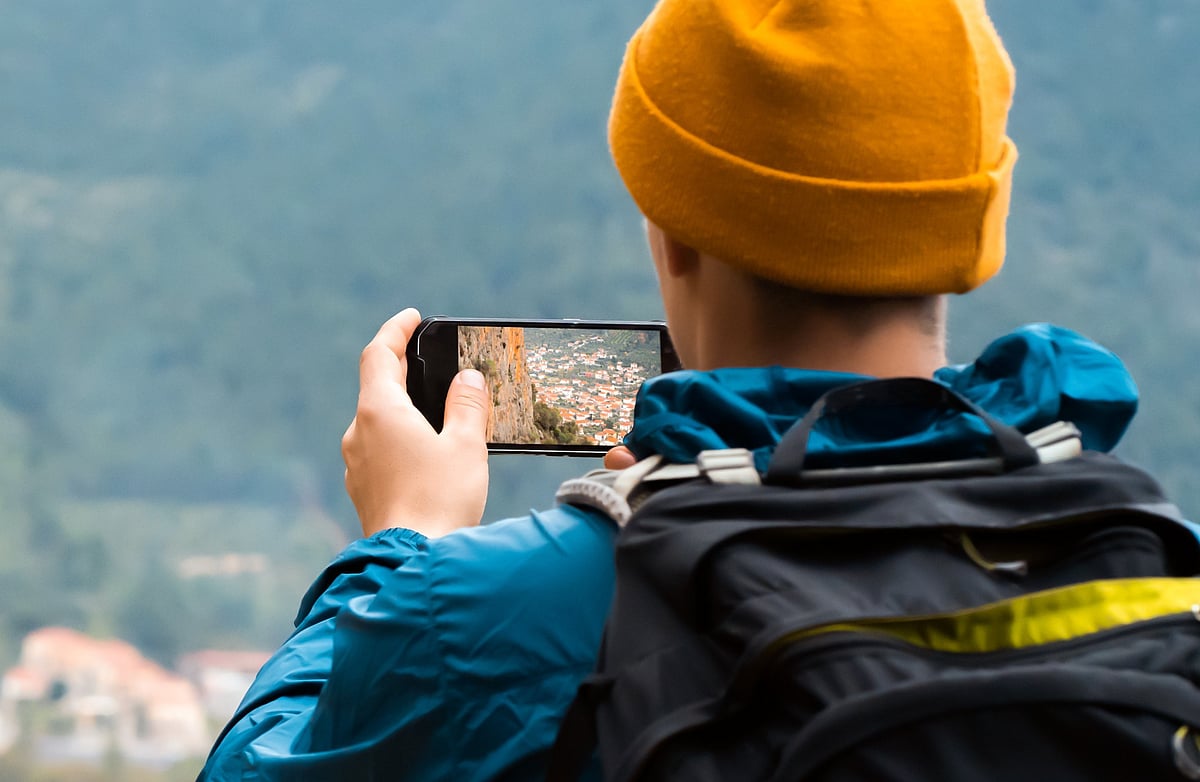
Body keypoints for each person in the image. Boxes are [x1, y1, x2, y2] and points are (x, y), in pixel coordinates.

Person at [198, 0, 1143, 779]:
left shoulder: (490, 614)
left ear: (673, 227)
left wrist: (404, 540)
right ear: (974, 234)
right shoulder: (1144, 575)